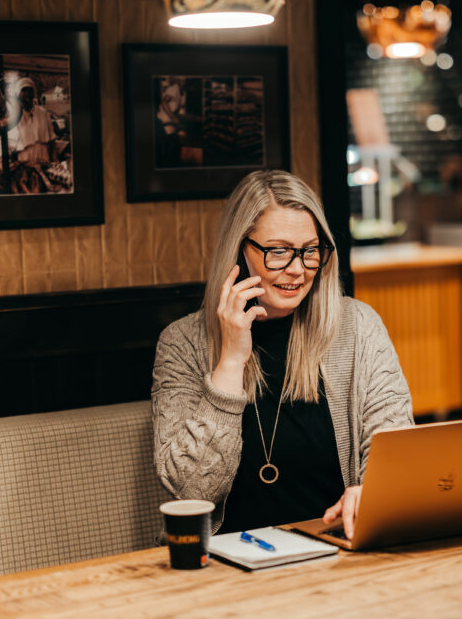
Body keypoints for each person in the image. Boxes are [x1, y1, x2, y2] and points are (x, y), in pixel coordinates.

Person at [152, 169, 413, 539]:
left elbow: (396, 449)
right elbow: (192, 492)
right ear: (239, 250)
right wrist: (230, 362)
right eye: (278, 252)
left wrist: (373, 491)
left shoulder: (358, 327)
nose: (297, 269)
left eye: (310, 251)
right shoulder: (183, 343)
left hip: (337, 547)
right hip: (228, 559)